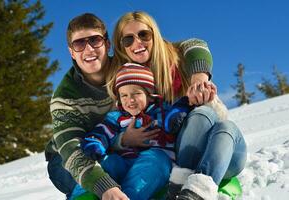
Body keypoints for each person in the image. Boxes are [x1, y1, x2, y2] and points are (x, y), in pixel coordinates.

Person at [108, 11, 247, 200]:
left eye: (143, 35)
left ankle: (192, 186)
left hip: (219, 149)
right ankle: (190, 190)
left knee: (220, 122)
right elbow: (114, 125)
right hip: (180, 155)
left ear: (154, 35)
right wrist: (123, 140)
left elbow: (196, 44)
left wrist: (199, 80)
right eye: (128, 39)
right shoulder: (128, 85)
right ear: (121, 46)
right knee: (205, 117)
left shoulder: (178, 60)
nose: (137, 43)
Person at [44, 13, 133, 200]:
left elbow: (183, 48)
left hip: (113, 147)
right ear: (71, 52)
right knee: (108, 170)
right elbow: (70, 149)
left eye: (95, 40)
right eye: (79, 44)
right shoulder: (65, 95)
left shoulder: (128, 70)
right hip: (64, 159)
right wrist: (105, 187)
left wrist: (199, 74)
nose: (89, 49)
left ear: (107, 44)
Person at [81, 62, 192, 200]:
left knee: (155, 159)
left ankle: (129, 197)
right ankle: (83, 197)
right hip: (124, 164)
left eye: (136, 93)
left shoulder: (159, 113)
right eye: (124, 95)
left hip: (154, 167)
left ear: (150, 95)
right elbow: (101, 133)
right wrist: (95, 144)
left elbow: (172, 119)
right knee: (109, 162)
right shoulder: (116, 118)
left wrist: (178, 111)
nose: (130, 100)